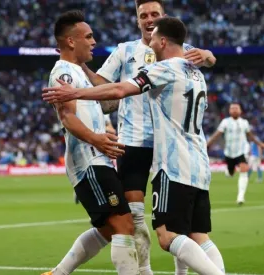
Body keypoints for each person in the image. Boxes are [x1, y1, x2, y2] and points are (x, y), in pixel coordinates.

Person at [43, 16, 225, 275]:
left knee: (161, 233)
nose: (148, 39)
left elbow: (118, 91)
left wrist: (75, 93)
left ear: (163, 40)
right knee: (184, 233)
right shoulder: (193, 70)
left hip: (173, 164)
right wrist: (207, 55)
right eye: (89, 37)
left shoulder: (164, 68)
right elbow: (92, 101)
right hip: (197, 161)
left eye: (154, 34)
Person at [41, 10, 139, 275]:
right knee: (124, 226)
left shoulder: (78, 73)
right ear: (71, 41)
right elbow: (68, 118)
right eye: (88, 36)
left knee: (108, 230)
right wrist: (98, 139)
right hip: (89, 160)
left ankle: (57, 273)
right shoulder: (64, 73)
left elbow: (105, 105)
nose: (94, 41)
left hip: (97, 158)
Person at [206, 103, 264, 205]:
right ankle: (229, 171)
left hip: (241, 151)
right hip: (229, 152)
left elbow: (251, 136)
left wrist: (261, 144)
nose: (234, 110)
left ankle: (240, 197)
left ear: (240, 111)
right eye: (232, 108)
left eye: (236, 108)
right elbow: (216, 135)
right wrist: (206, 145)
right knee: (231, 174)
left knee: (244, 170)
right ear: (229, 111)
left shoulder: (244, 123)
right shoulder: (225, 122)